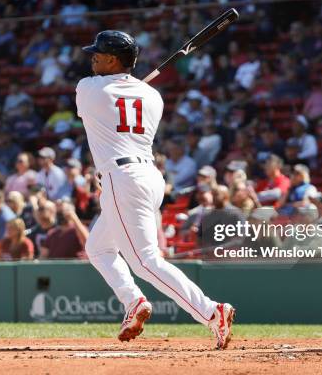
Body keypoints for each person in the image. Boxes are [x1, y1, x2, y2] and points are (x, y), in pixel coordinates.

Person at [77, 30, 234, 348]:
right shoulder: (153, 97)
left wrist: (122, 90)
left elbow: (109, 111)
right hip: (148, 175)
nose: (92, 56)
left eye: (100, 53)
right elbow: (124, 107)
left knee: (145, 260)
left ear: (114, 59)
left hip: (123, 178)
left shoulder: (87, 88)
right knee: (99, 248)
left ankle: (211, 312)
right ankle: (133, 301)